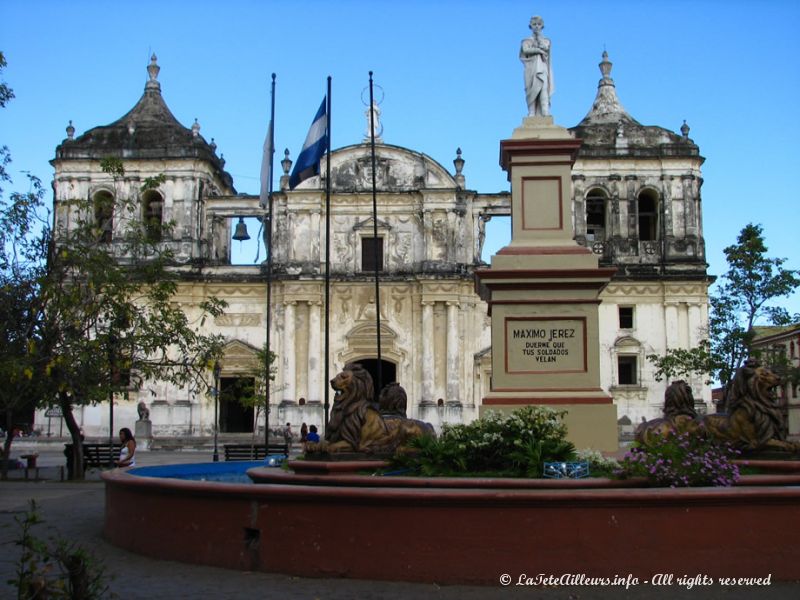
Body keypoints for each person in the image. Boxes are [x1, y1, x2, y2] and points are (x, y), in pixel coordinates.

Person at [520, 15, 554, 117]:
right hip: (530, 68)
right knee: (531, 89)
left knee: (543, 87)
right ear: (530, 26)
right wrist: (539, 50)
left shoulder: (546, 40)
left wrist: (539, 38)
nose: (536, 26)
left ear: (542, 26)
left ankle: (545, 110)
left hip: (542, 68)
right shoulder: (526, 40)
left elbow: (546, 47)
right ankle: (531, 112)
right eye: (534, 24)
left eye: (539, 24)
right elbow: (525, 50)